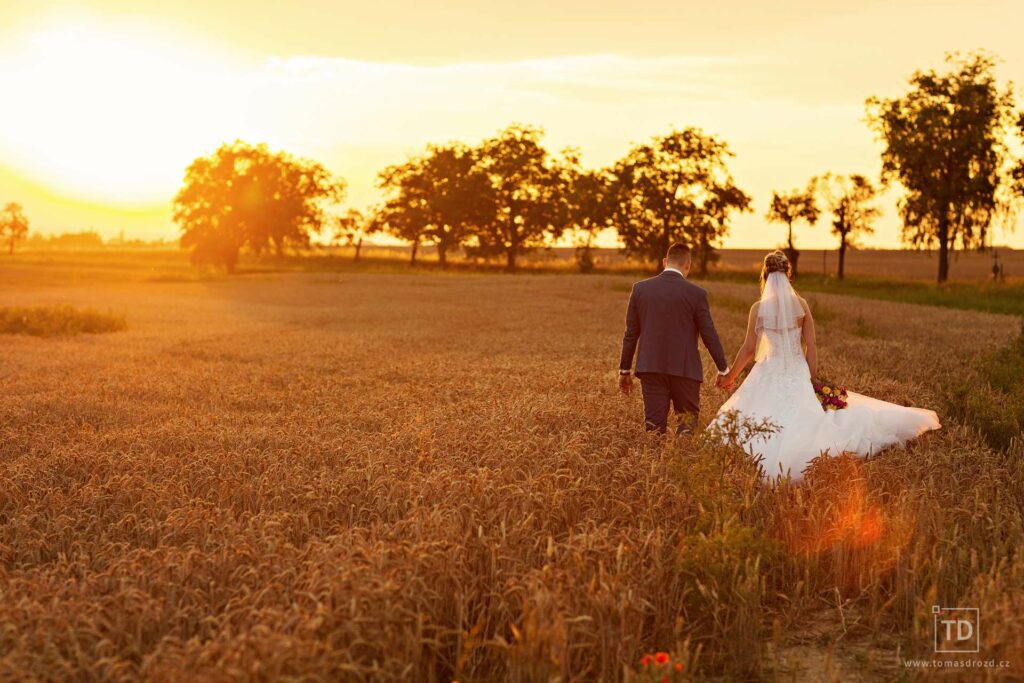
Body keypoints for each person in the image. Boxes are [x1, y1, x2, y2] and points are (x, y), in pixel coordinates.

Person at [711, 250, 940, 479]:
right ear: (788, 274)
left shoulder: (758, 308)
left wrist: (730, 377)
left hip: (767, 372)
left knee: (750, 417)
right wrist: (812, 381)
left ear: (765, 275)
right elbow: (811, 344)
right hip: (797, 373)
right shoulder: (801, 305)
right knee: (806, 416)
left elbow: (749, 348)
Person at [618, 244, 730, 434]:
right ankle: (683, 462)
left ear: (664, 262)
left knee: (654, 429)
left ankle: (655, 463)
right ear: (688, 265)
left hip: (651, 367)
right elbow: (708, 333)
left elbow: (631, 333)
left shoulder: (640, 289)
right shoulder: (697, 294)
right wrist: (723, 369)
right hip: (686, 370)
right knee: (688, 427)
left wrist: (624, 370)